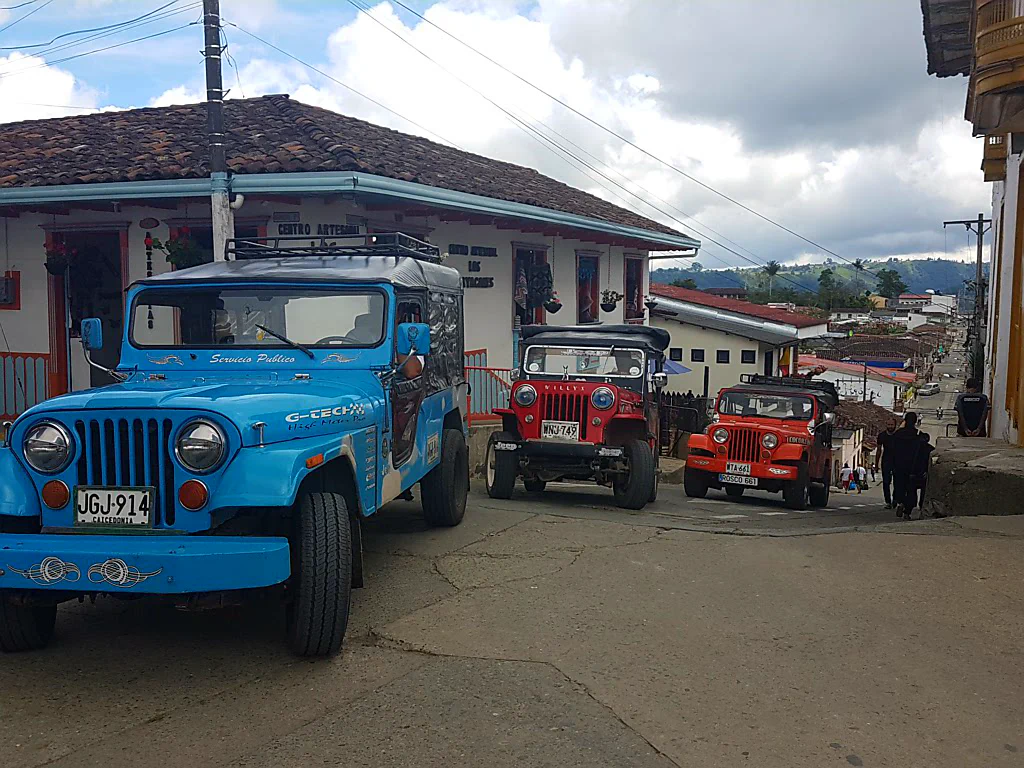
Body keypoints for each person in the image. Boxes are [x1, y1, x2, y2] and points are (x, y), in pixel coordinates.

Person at [890, 412, 932, 519]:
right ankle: (907, 512)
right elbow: (925, 450)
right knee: (911, 490)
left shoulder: (897, 434)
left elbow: (892, 450)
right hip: (913, 467)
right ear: (915, 421)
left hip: (898, 466)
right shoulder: (918, 435)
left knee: (899, 487)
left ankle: (900, 503)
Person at [875, 417, 899, 509]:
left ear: (895, 425)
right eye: (888, 425)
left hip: (897, 461)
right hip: (886, 461)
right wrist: (876, 464)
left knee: (897, 482)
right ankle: (888, 501)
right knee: (886, 482)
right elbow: (878, 450)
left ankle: (895, 500)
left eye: (891, 425)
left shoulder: (898, 435)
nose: (890, 426)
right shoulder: (882, 436)